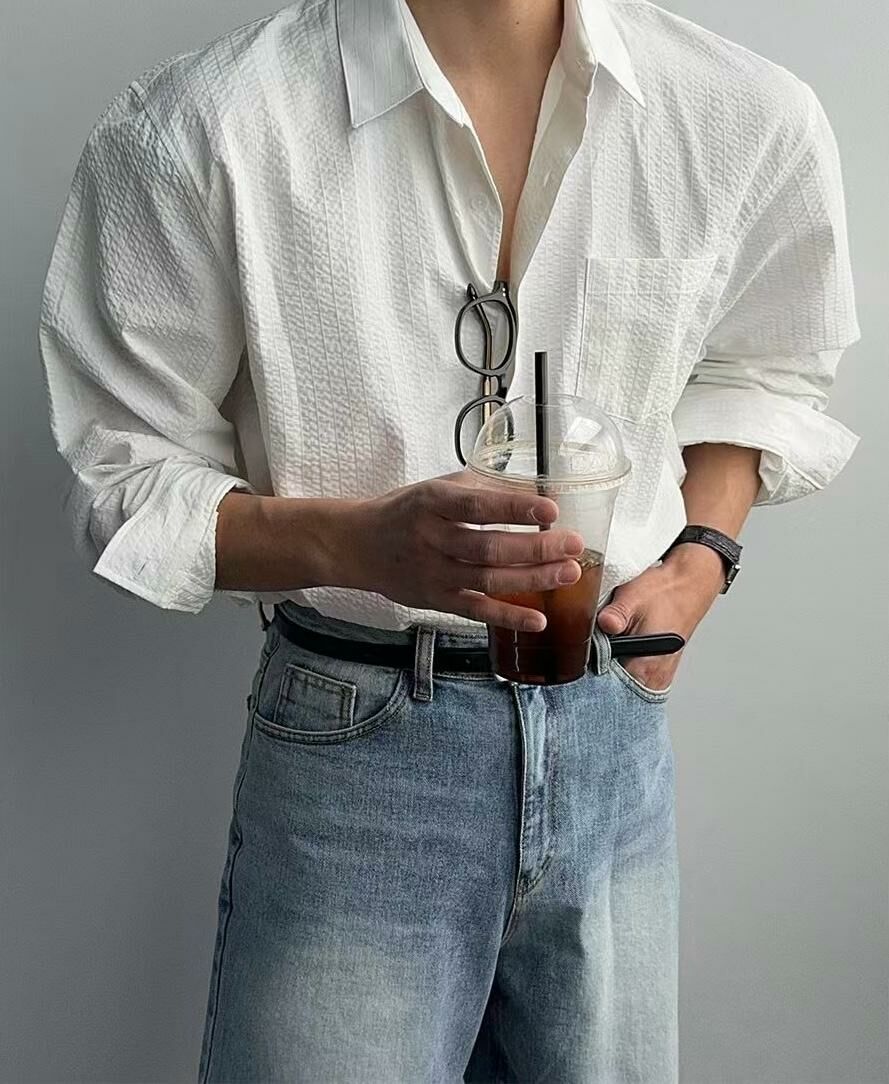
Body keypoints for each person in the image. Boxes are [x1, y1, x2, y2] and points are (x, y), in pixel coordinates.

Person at [37, 0, 859, 1080]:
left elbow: (766, 364)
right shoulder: (205, 127)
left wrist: (700, 558)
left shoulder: (740, 113)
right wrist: (358, 544)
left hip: (611, 736)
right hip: (357, 744)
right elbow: (124, 478)